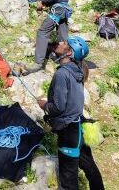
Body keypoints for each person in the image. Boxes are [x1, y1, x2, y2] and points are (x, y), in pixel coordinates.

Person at [38, 36, 105, 190]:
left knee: (68, 178)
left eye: (65, 43)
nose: (61, 43)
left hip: (69, 132)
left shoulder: (62, 74)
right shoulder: (77, 72)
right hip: (78, 127)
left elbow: (59, 107)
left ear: (69, 53)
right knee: (90, 168)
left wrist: (44, 105)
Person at [19, 0, 71, 75]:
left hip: (57, 10)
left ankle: (38, 63)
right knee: (63, 36)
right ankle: (67, 60)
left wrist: (42, 3)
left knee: (42, 32)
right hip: (64, 10)